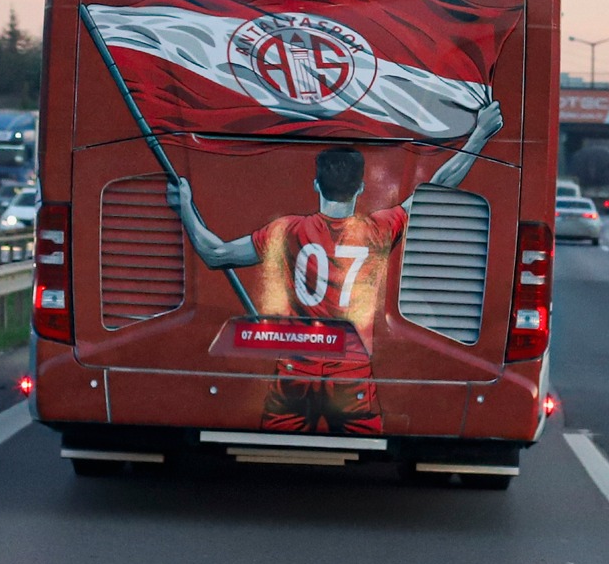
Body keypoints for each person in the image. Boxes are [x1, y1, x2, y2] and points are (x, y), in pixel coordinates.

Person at [168, 101, 502, 434]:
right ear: (361, 187)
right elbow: (437, 188)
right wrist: (479, 136)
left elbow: (215, 253)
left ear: (316, 184)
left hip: (295, 373)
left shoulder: (287, 231)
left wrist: (185, 206)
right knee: (367, 448)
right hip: (352, 372)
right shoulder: (379, 230)